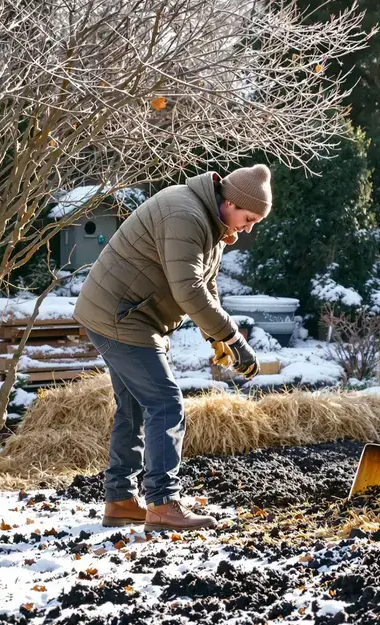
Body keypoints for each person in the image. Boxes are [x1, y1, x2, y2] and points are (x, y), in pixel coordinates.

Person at [73, 166, 271, 531]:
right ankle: (163, 504)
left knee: (133, 405)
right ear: (230, 202)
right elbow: (188, 290)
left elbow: (206, 285)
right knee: (165, 402)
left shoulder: (211, 223)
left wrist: (217, 337)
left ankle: (120, 499)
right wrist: (233, 338)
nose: (249, 228)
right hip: (121, 315)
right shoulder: (185, 215)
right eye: (249, 218)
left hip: (127, 314)